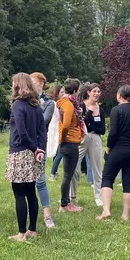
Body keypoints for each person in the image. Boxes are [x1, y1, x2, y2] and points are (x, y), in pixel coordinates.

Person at [6, 73, 47, 241]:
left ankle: (21, 233)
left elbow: (21, 132)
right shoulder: (36, 106)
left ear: (18, 85)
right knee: (31, 191)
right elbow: (42, 130)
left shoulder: (18, 105)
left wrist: (33, 148)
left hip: (19, 152)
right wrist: (39, 149)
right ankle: (33, 229)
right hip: (33, 152)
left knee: (19, 193)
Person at [98, 85, 130, 221]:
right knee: (129, 181)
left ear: (119, 96)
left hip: (118, 149)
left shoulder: (116, 110)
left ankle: (106, 210)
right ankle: (125, 214)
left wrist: (108, 148)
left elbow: (113, 132)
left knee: (107, 177)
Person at [71, 83, 105, 207]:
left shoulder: (100, 109)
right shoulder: (81, 106)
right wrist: (89, 113)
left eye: (98, 91)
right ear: (89, 92)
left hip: (95, 139)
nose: (96, 94)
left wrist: (90, 125)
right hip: (82, 138)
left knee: (97, 168)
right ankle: (72, 196)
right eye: (94, 91)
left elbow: (102, 130)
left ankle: (98, 197)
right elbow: (81, 124)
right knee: (74, 166)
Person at [30, 72, 56, 228]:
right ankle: (29, 211)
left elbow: (43, 121)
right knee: (27, 182)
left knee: (40, 180)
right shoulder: (26, 101)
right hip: (26, 145)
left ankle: (47, 214)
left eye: (32, 81)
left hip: (39, 144)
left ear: (41, 83)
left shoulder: (49, 103)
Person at [56, 79, 84, 213]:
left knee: (68, 174)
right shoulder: (68, 105)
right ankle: (64, 204)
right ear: (74, 91)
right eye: (78, 90)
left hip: (69, 141)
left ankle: (65, 203)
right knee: (68, 175)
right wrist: (62, 139)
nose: (78, 93)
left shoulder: (66, 103)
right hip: (69, 142)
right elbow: (66, 124)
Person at [48, 85, 63, 181]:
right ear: (56, 93)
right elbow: (60, 116)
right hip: (56, 129)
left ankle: (55, 171)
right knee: (60, 152)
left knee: (57, 151)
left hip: (58, 129)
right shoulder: (54, 104)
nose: (63, 94)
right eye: (61, 92)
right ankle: (52, 174)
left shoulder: (59, 103)